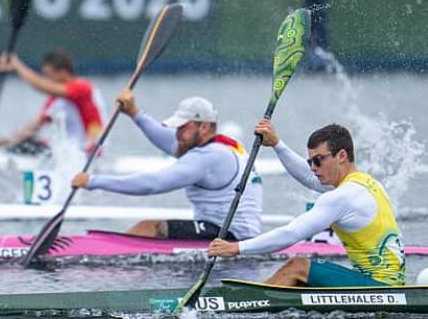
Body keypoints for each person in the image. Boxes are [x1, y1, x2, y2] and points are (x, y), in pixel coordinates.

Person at [207, 121, 405, 287]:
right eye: (310, 162)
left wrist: (236, 248)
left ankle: (243, 302)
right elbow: (310, 180)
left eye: (318, 161)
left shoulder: (341, 197)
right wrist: (277, 144)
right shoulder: (367, 184)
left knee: (298, 267)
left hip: (380, 286)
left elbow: (291, 234)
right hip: (387, 283)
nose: (313, 168)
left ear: (342, 155)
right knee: (302, 274)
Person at [71, 88, 263, 240]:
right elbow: (167, 140)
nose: (178, 134)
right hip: (229, 230)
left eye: (183, 127)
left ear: (204, 127)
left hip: (232, 236)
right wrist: (134, 113)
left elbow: (152, 184)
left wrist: (92, 181)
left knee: (148, 228)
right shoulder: (225, 145)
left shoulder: (208, 157)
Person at [0, 49, 105, 155]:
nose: (46, 79)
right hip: (69, 155)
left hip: (89, 154)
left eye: (48, 74)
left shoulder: (82, 88)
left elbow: (41, 86)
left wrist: (17, 66)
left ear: (62, 73)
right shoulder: (55, 101)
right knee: (25, 143)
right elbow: (28, 130)